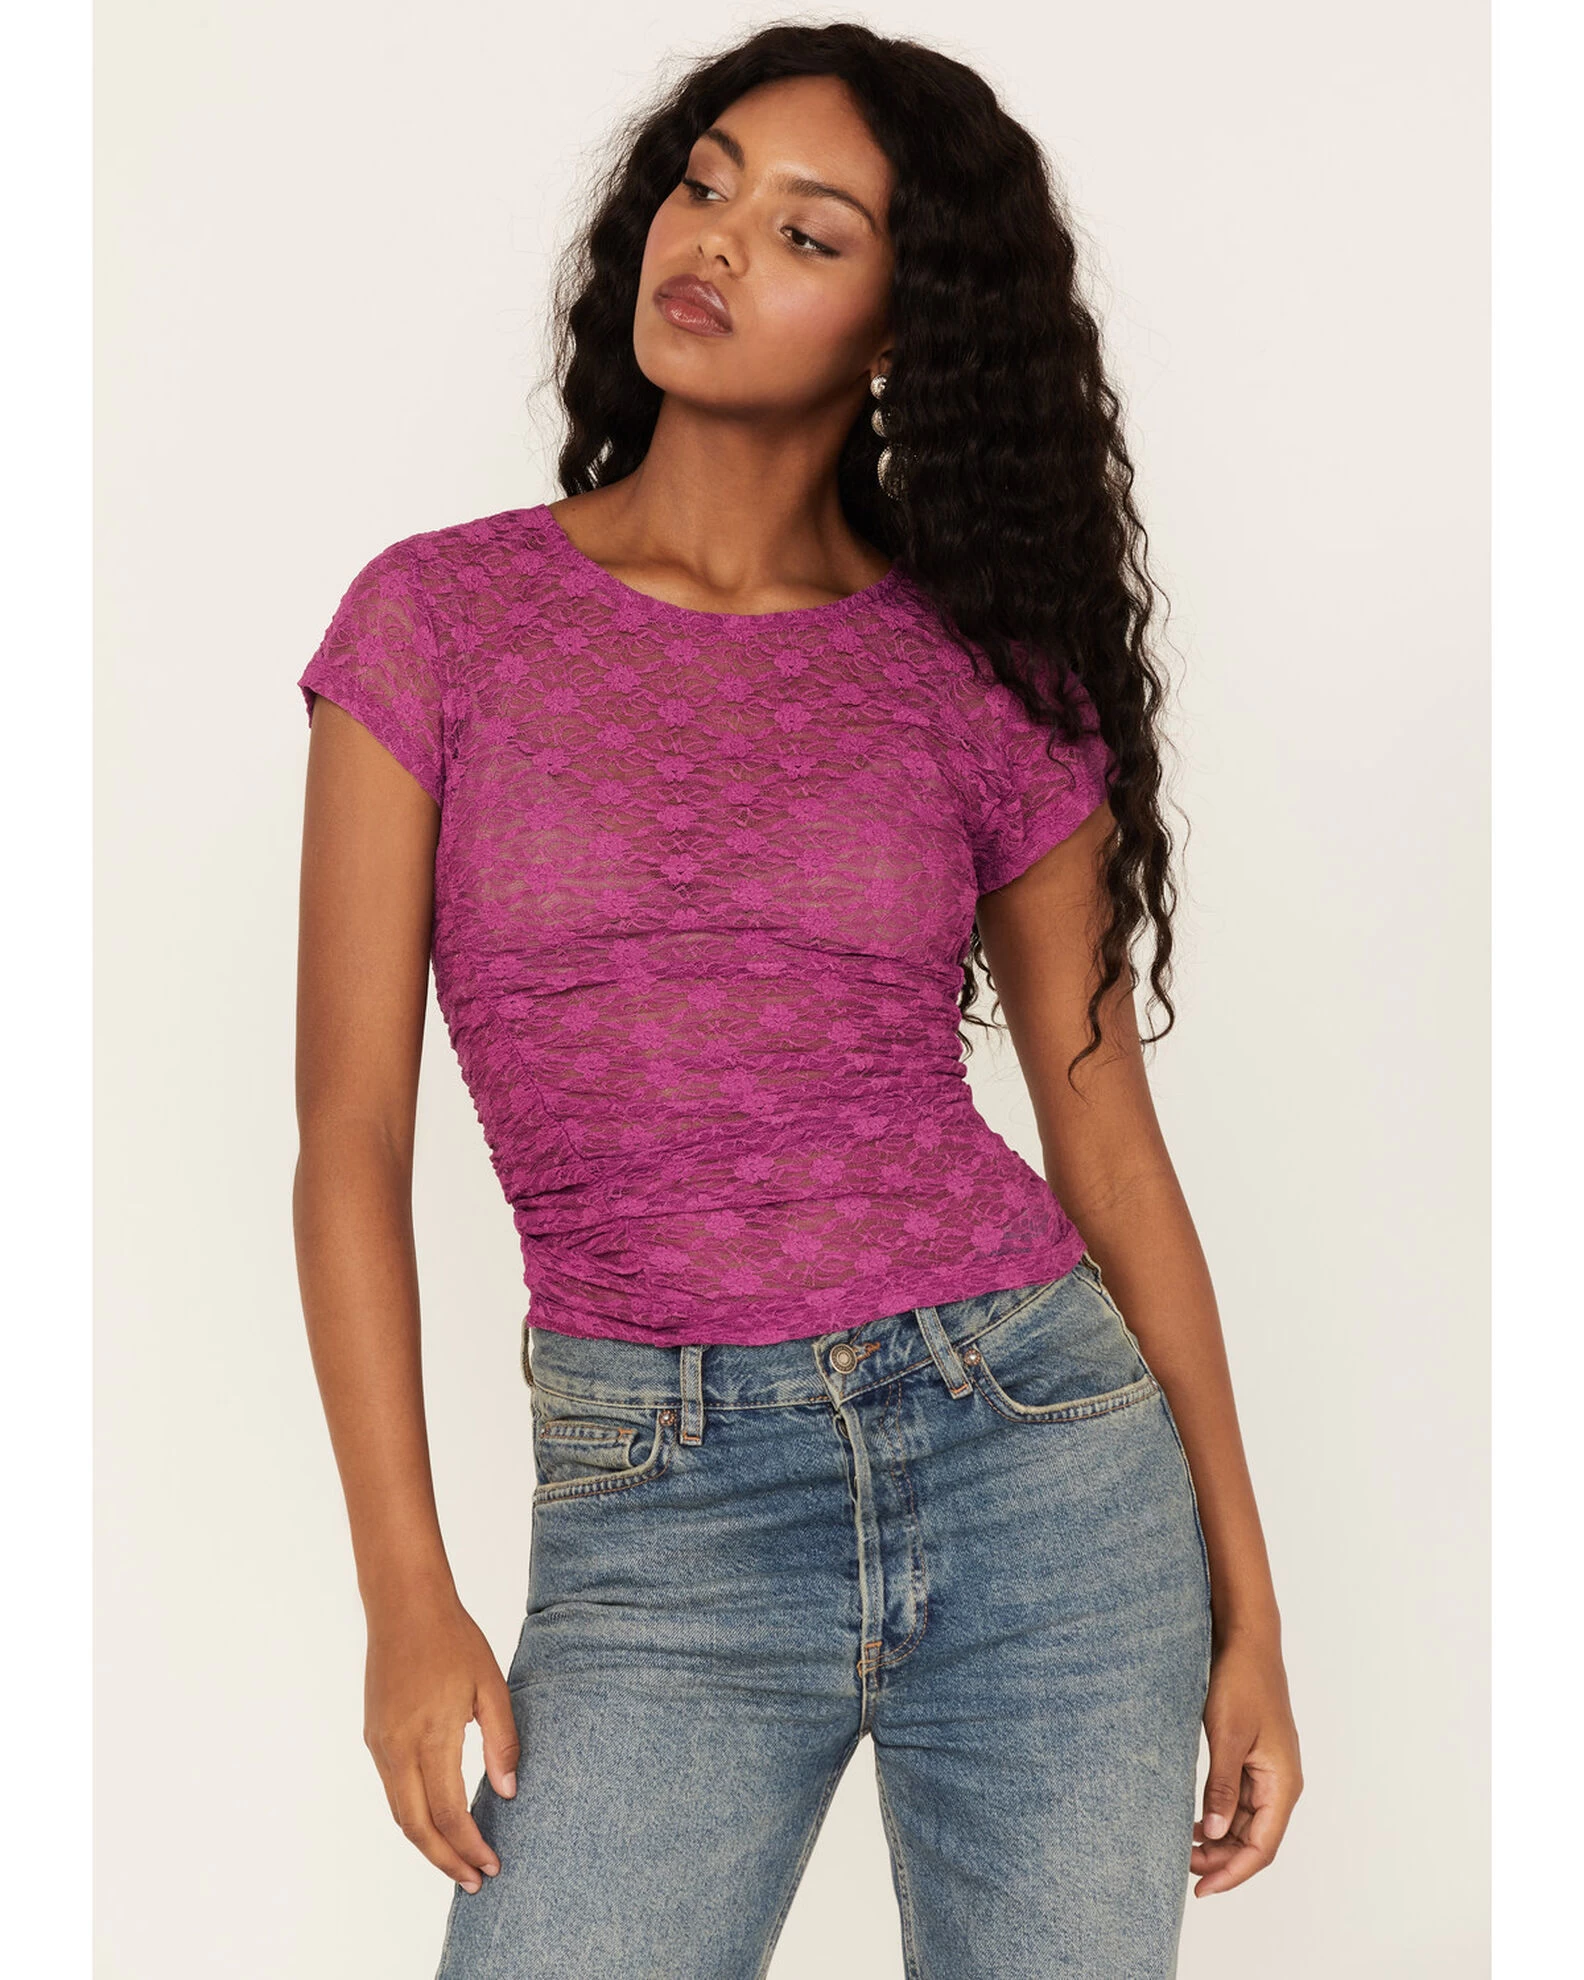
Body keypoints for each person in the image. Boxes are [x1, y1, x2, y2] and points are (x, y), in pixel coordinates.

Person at [292, 21, 1302, 1977]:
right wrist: (404, 1592)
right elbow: (348, 1139)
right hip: (658, 1505)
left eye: (808, 232)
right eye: (707, 184)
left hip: (1040, 1456)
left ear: (904, 333)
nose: (719, 241)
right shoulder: (438, 623)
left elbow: (1107, 1146)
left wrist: (1250, 1609)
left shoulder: (981, 679)